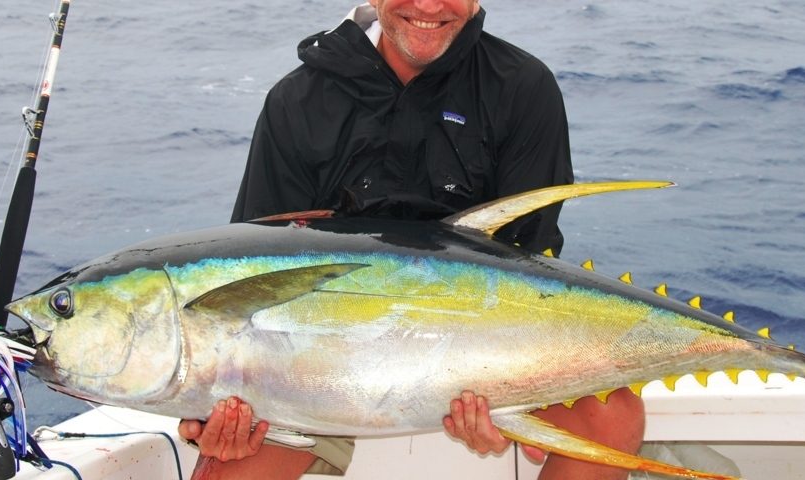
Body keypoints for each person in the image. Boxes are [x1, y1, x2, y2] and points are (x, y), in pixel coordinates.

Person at [178, 0, 646, 478]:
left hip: (474, 350)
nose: (427, 5)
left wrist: (508, 397)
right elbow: (249, 273)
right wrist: (204, 413)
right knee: (227, 464)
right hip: (312, 361)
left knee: (610, 416)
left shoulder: (522, 89)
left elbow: (530, 264)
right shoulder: (297, 102)